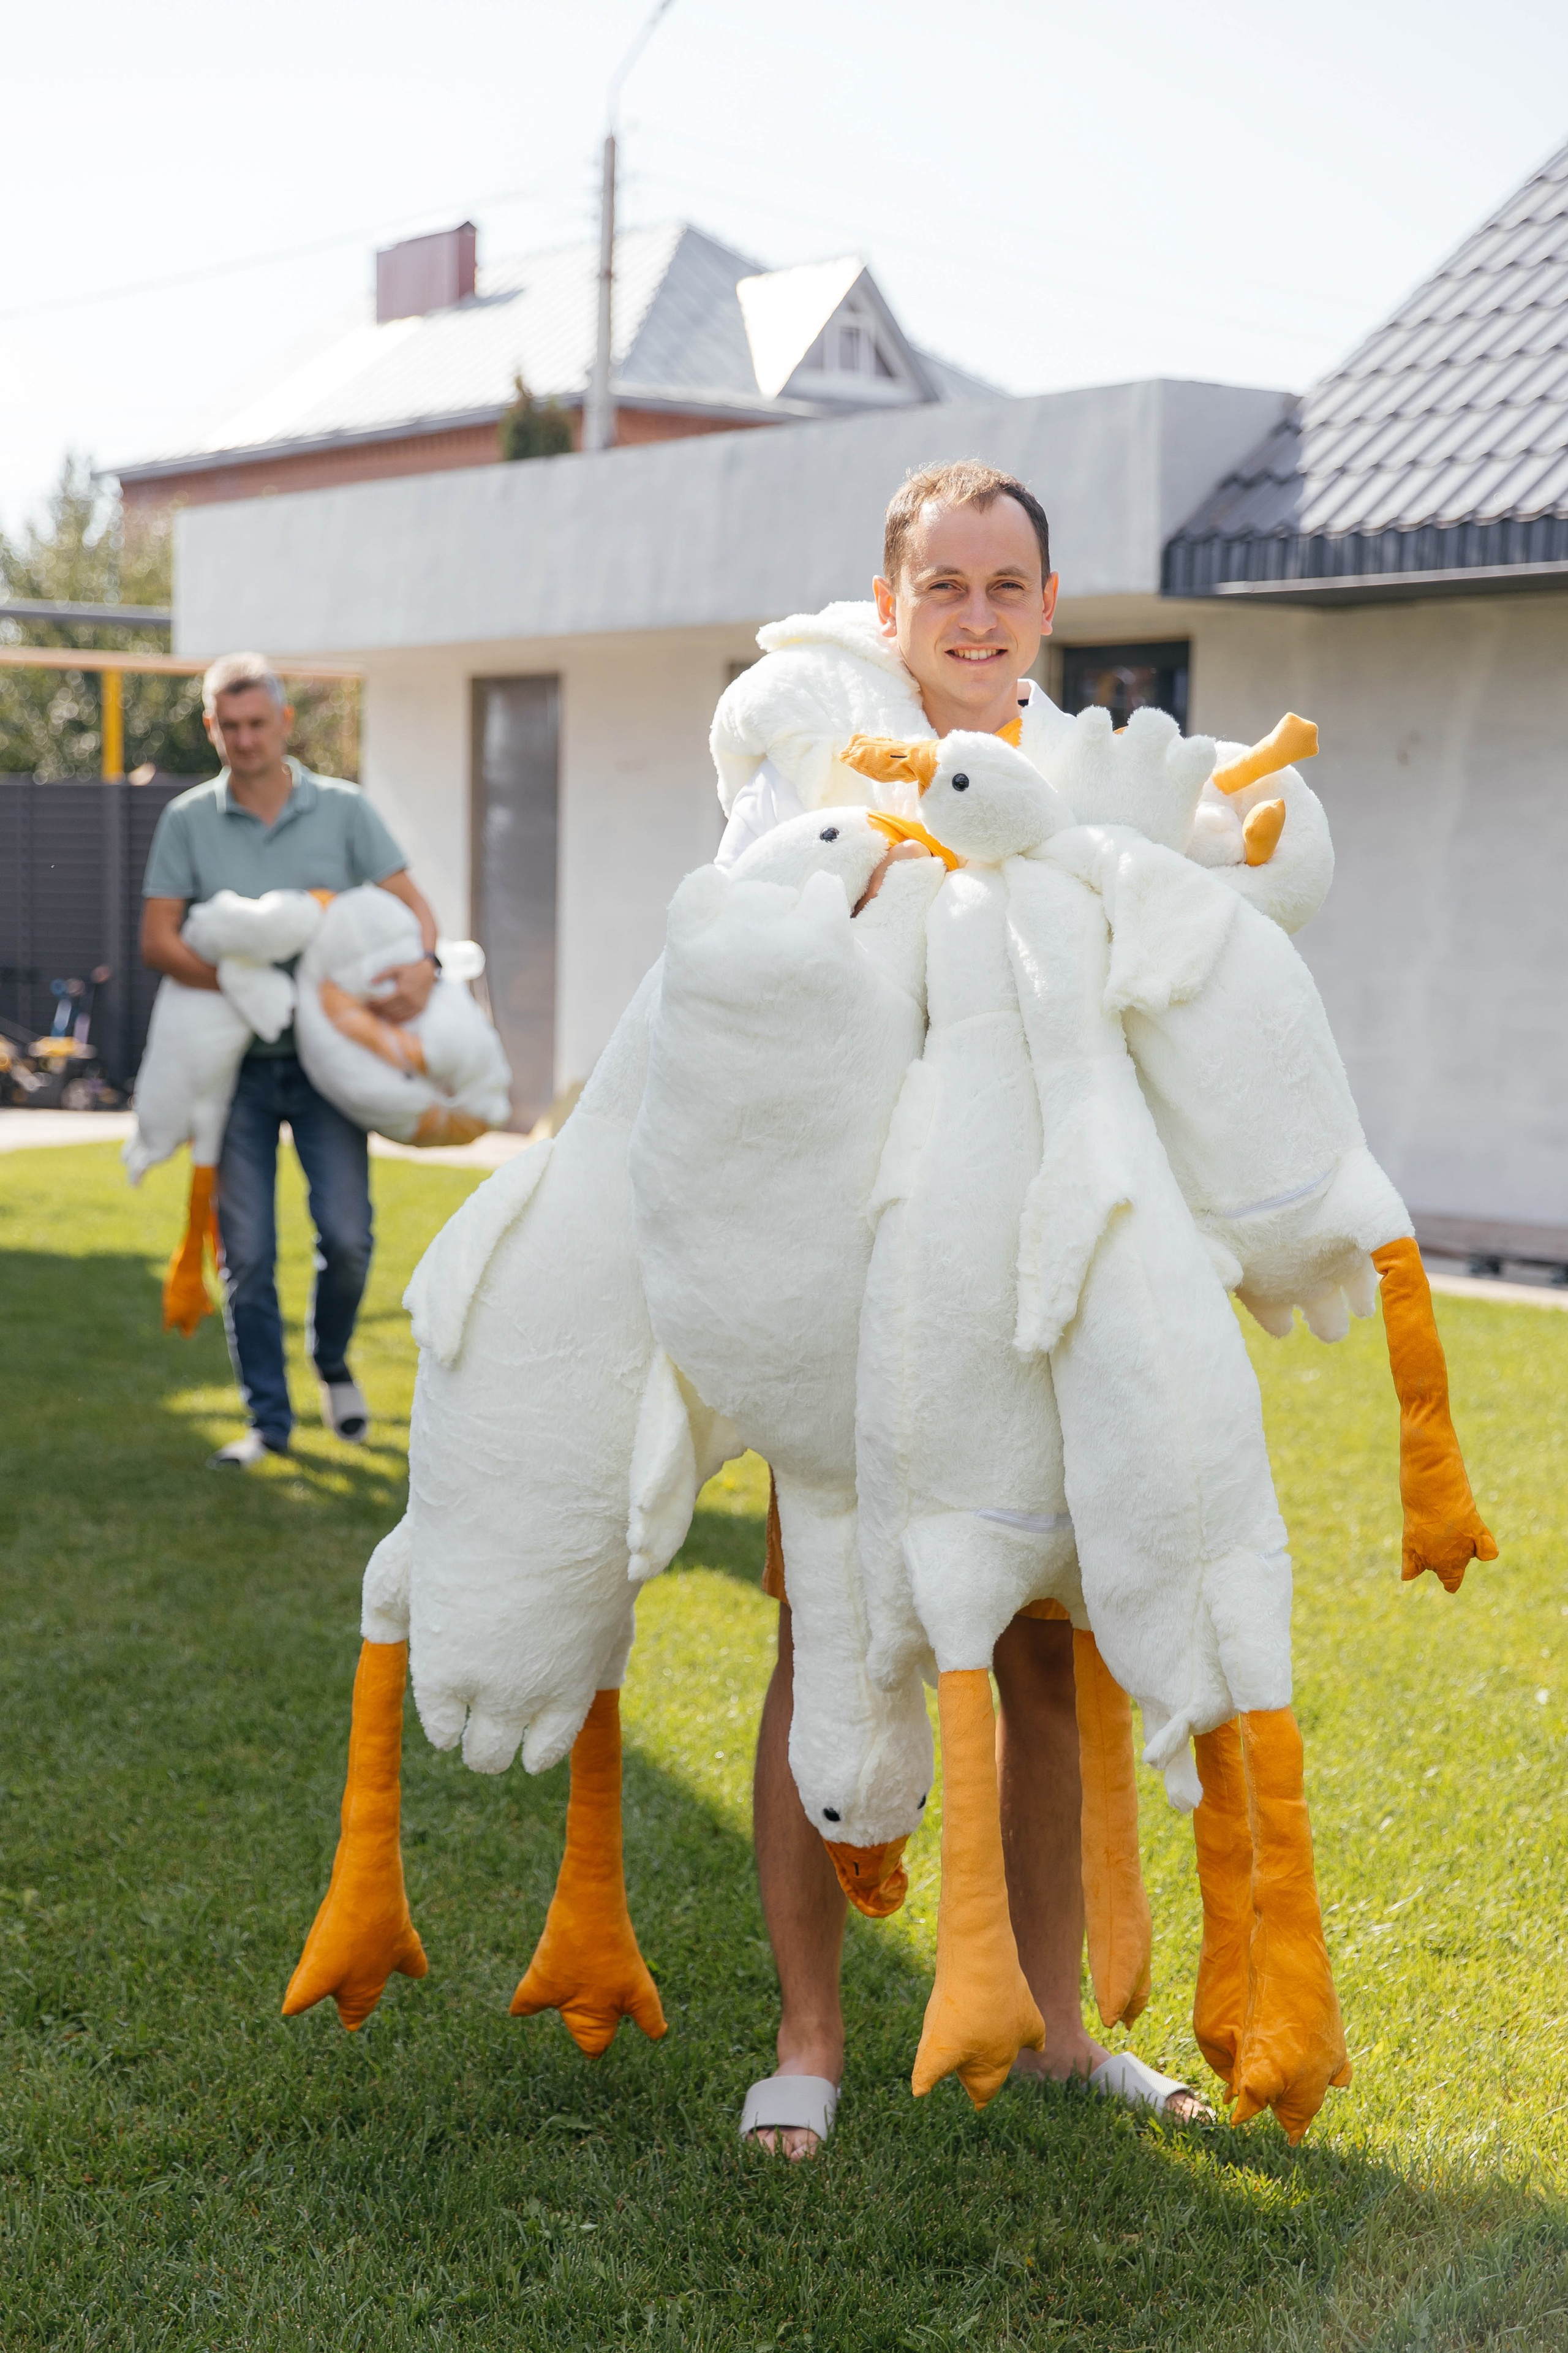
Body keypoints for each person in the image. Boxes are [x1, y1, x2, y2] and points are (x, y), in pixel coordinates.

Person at [728, 466, 1210, 2154]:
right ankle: (808, 2037)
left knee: (1042, 1649)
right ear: (893, 605)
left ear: (1052, 603)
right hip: (856, 1295)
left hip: (1036, 1289)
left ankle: (1061, 2028)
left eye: (1008, 586)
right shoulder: (814, 780)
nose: (979, 616)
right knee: (828, 1637)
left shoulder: (1081, 781)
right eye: (947, 586)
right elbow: (741, 1004)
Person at [140, 652, 440, 1468]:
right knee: (247, 1253)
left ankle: (332, 1357)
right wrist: (244, 986)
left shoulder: (343, 811)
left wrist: (423, 967)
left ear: (283, 724)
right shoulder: (189, 821)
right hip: (231, 1070)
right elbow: (158, 938)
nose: (243, 739)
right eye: (227, 727)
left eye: (255, 724)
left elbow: (416, 913)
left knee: (347, 1236)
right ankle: (268, 1423)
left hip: (327, 1064)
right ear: (213, 729)